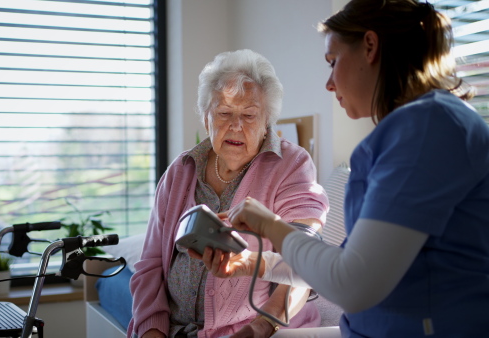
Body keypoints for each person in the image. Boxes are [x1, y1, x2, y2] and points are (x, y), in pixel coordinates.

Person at [196, 1, 489, 337]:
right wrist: (251, 264)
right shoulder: (417, 128)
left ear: (370, 46)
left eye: (333, 62)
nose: (329, 83)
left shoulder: (425, 129)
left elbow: (352, 282)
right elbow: (343, 264)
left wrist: (269, 224)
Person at [127, 49, 329, 338]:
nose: (236, 126)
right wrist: (151, 331)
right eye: (224, 113)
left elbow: (306, 261)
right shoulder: (181, 170)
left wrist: (260, 327)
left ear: (266, 121)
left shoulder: (292, 165)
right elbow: (150, 264)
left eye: (249, 115)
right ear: (206, 117)